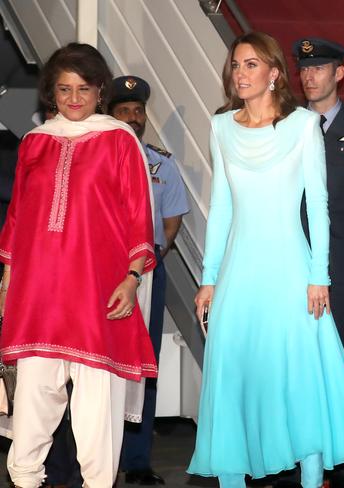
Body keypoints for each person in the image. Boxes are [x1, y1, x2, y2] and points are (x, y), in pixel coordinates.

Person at [187, 31, 344, 488]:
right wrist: (209, 277)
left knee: (302, 380)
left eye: (252, 64)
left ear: (275, 73)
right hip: (238, 272)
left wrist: (319, 275)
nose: (241, 73)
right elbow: (221, 207)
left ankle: (312, 482)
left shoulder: (301, 125)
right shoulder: (221, 127)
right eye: (236, 65)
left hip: (293, 271)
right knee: (234, 375)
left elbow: (316, 202)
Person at [0, 42, 157, 488]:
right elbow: (17, 220)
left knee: (96, 417)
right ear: (51, 92)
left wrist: (131, 279)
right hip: (39, 299)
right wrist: (7, 283)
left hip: (97, 296)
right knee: (30, 409)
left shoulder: (119, 140)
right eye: (64, 89)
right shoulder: (35, 143)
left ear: (100, 90)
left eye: (83, 89)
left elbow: (137, 217)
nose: (73, 99)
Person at [271, 37, 344, 488]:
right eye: (304, 68)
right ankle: (291, 458)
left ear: (339, 73)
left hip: (340, 262)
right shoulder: (282, 124)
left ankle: (334, 461)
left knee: (337, 362)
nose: (309, 76)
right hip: (283, 258)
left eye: (319, 68)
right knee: (288, 363)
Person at [109, 74, 190, 485]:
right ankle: (100, 455)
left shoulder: (161, 163)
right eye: (123, 111)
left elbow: (172, 220)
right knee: (101, 362)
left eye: (137, 111)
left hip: (148, 271)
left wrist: (155, 250)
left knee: (145, 362)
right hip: (103, 270)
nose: (132, 117)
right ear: (110, 115)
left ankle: (138, 459)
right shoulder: (98, 157)